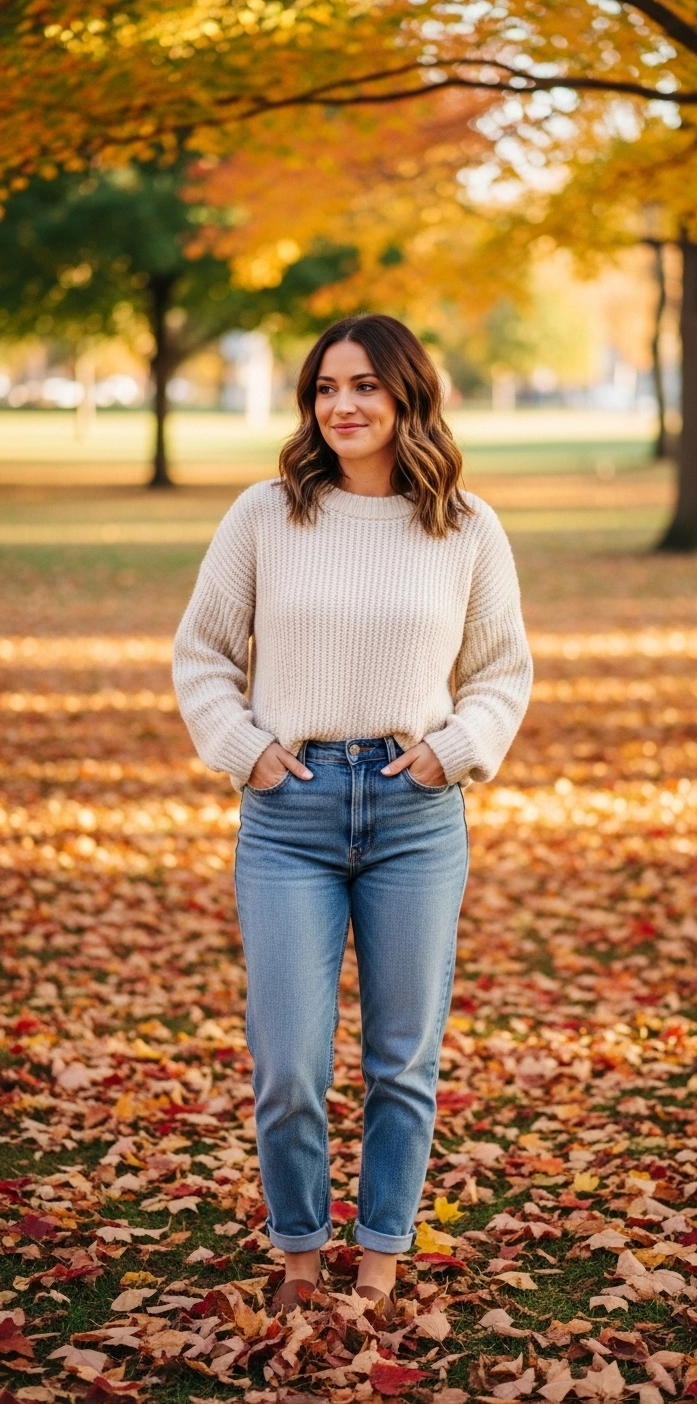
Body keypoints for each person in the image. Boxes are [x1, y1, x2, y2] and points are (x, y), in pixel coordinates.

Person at [173, 314, 533, 1316]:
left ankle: (378, 1257)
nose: (344, 405)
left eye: (366, 385)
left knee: (401, 1060)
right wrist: (250, 753)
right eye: (326, 387)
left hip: (416, 814)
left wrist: (449, 752)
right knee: (289, 1061)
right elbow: (200, 651)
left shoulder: (465, 526)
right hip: (289, 811)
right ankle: (298, 1253)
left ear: (408, 396)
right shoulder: (265, 515)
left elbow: (501, 670)